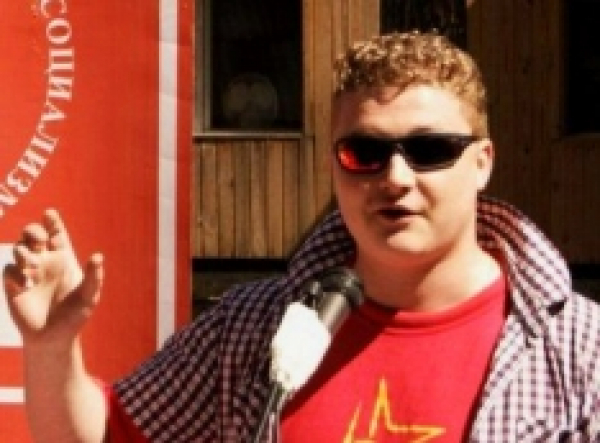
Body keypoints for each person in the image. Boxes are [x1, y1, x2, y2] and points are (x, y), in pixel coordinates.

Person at [4, 31, 600, 443]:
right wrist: (52, 346)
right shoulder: (250, 326)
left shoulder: (580, 351)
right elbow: (104, 434)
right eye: (364, 152)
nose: (396, 177)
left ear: (483, 163)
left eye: (429, 150)